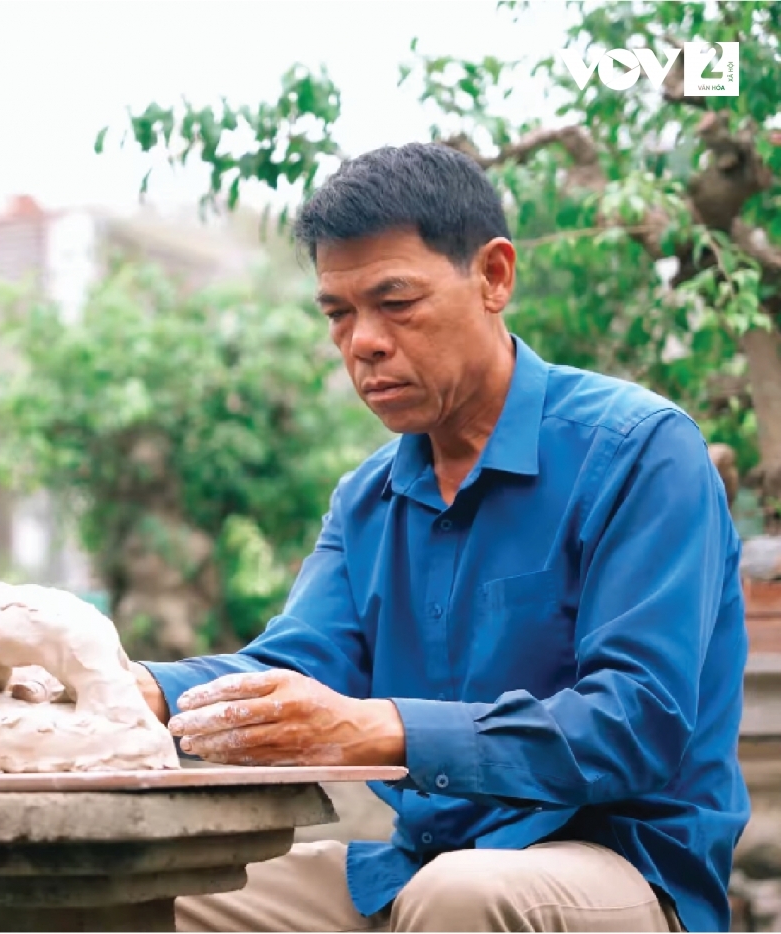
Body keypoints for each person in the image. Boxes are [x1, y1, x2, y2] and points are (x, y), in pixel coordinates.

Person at [130, 142, 751, 932]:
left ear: (493, 277)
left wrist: (381, 727)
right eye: (338, 313)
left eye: (396, 302)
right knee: (145, 885)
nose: (363, 342)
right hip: (415, 868)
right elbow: (291, 667)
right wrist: (127, 687)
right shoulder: (368, 498)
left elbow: (635, 721)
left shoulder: (640, 451)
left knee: (460, 895)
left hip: (624, 867)